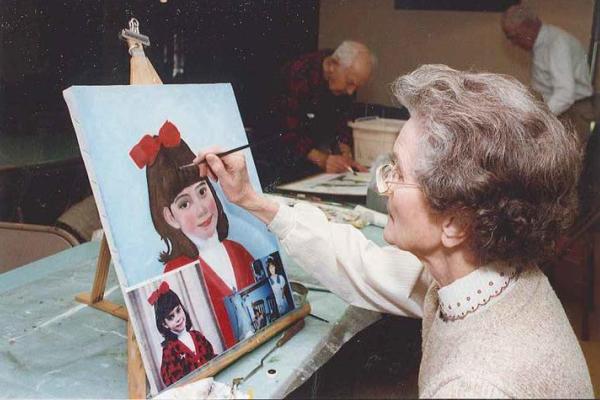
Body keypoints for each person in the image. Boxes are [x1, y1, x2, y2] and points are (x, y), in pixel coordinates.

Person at [196, 64, 594, 397]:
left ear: (455, 222)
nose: (383, 185)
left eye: (398, 173)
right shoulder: (486, 276)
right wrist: (253, 200)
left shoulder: (476, 386)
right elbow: (361, 263)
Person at [130, 120, 256, 349]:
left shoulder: (239, 251)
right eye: (185, 204)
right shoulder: (176, 273)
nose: (201, 209)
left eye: (202, 191)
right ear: (170, 217)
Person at [254, 40, 375, 185]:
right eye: (350, 83)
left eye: (356, 86)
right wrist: (323, 160)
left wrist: (345, 151)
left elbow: (344, 121)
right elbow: (287, 132)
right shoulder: (298, 74)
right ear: (331, 66)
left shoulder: (343, 80)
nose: (351, 92)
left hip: (309, 154)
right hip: (274, 155)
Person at [502, 4, 594, 143]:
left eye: (513, 36)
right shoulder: (543, 43)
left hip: (572, 113)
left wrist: (539, 119)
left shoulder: (557, 43)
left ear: (527, 26)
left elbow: (565, 94)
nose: (513, 43)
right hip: (560, 110)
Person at [148, 281, 215, 387]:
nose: (178, 318)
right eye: (171, 317)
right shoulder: (169, 351)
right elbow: (173, 383)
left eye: (178, 311)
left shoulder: (197, 336)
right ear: (165, 324)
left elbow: (212, 357)